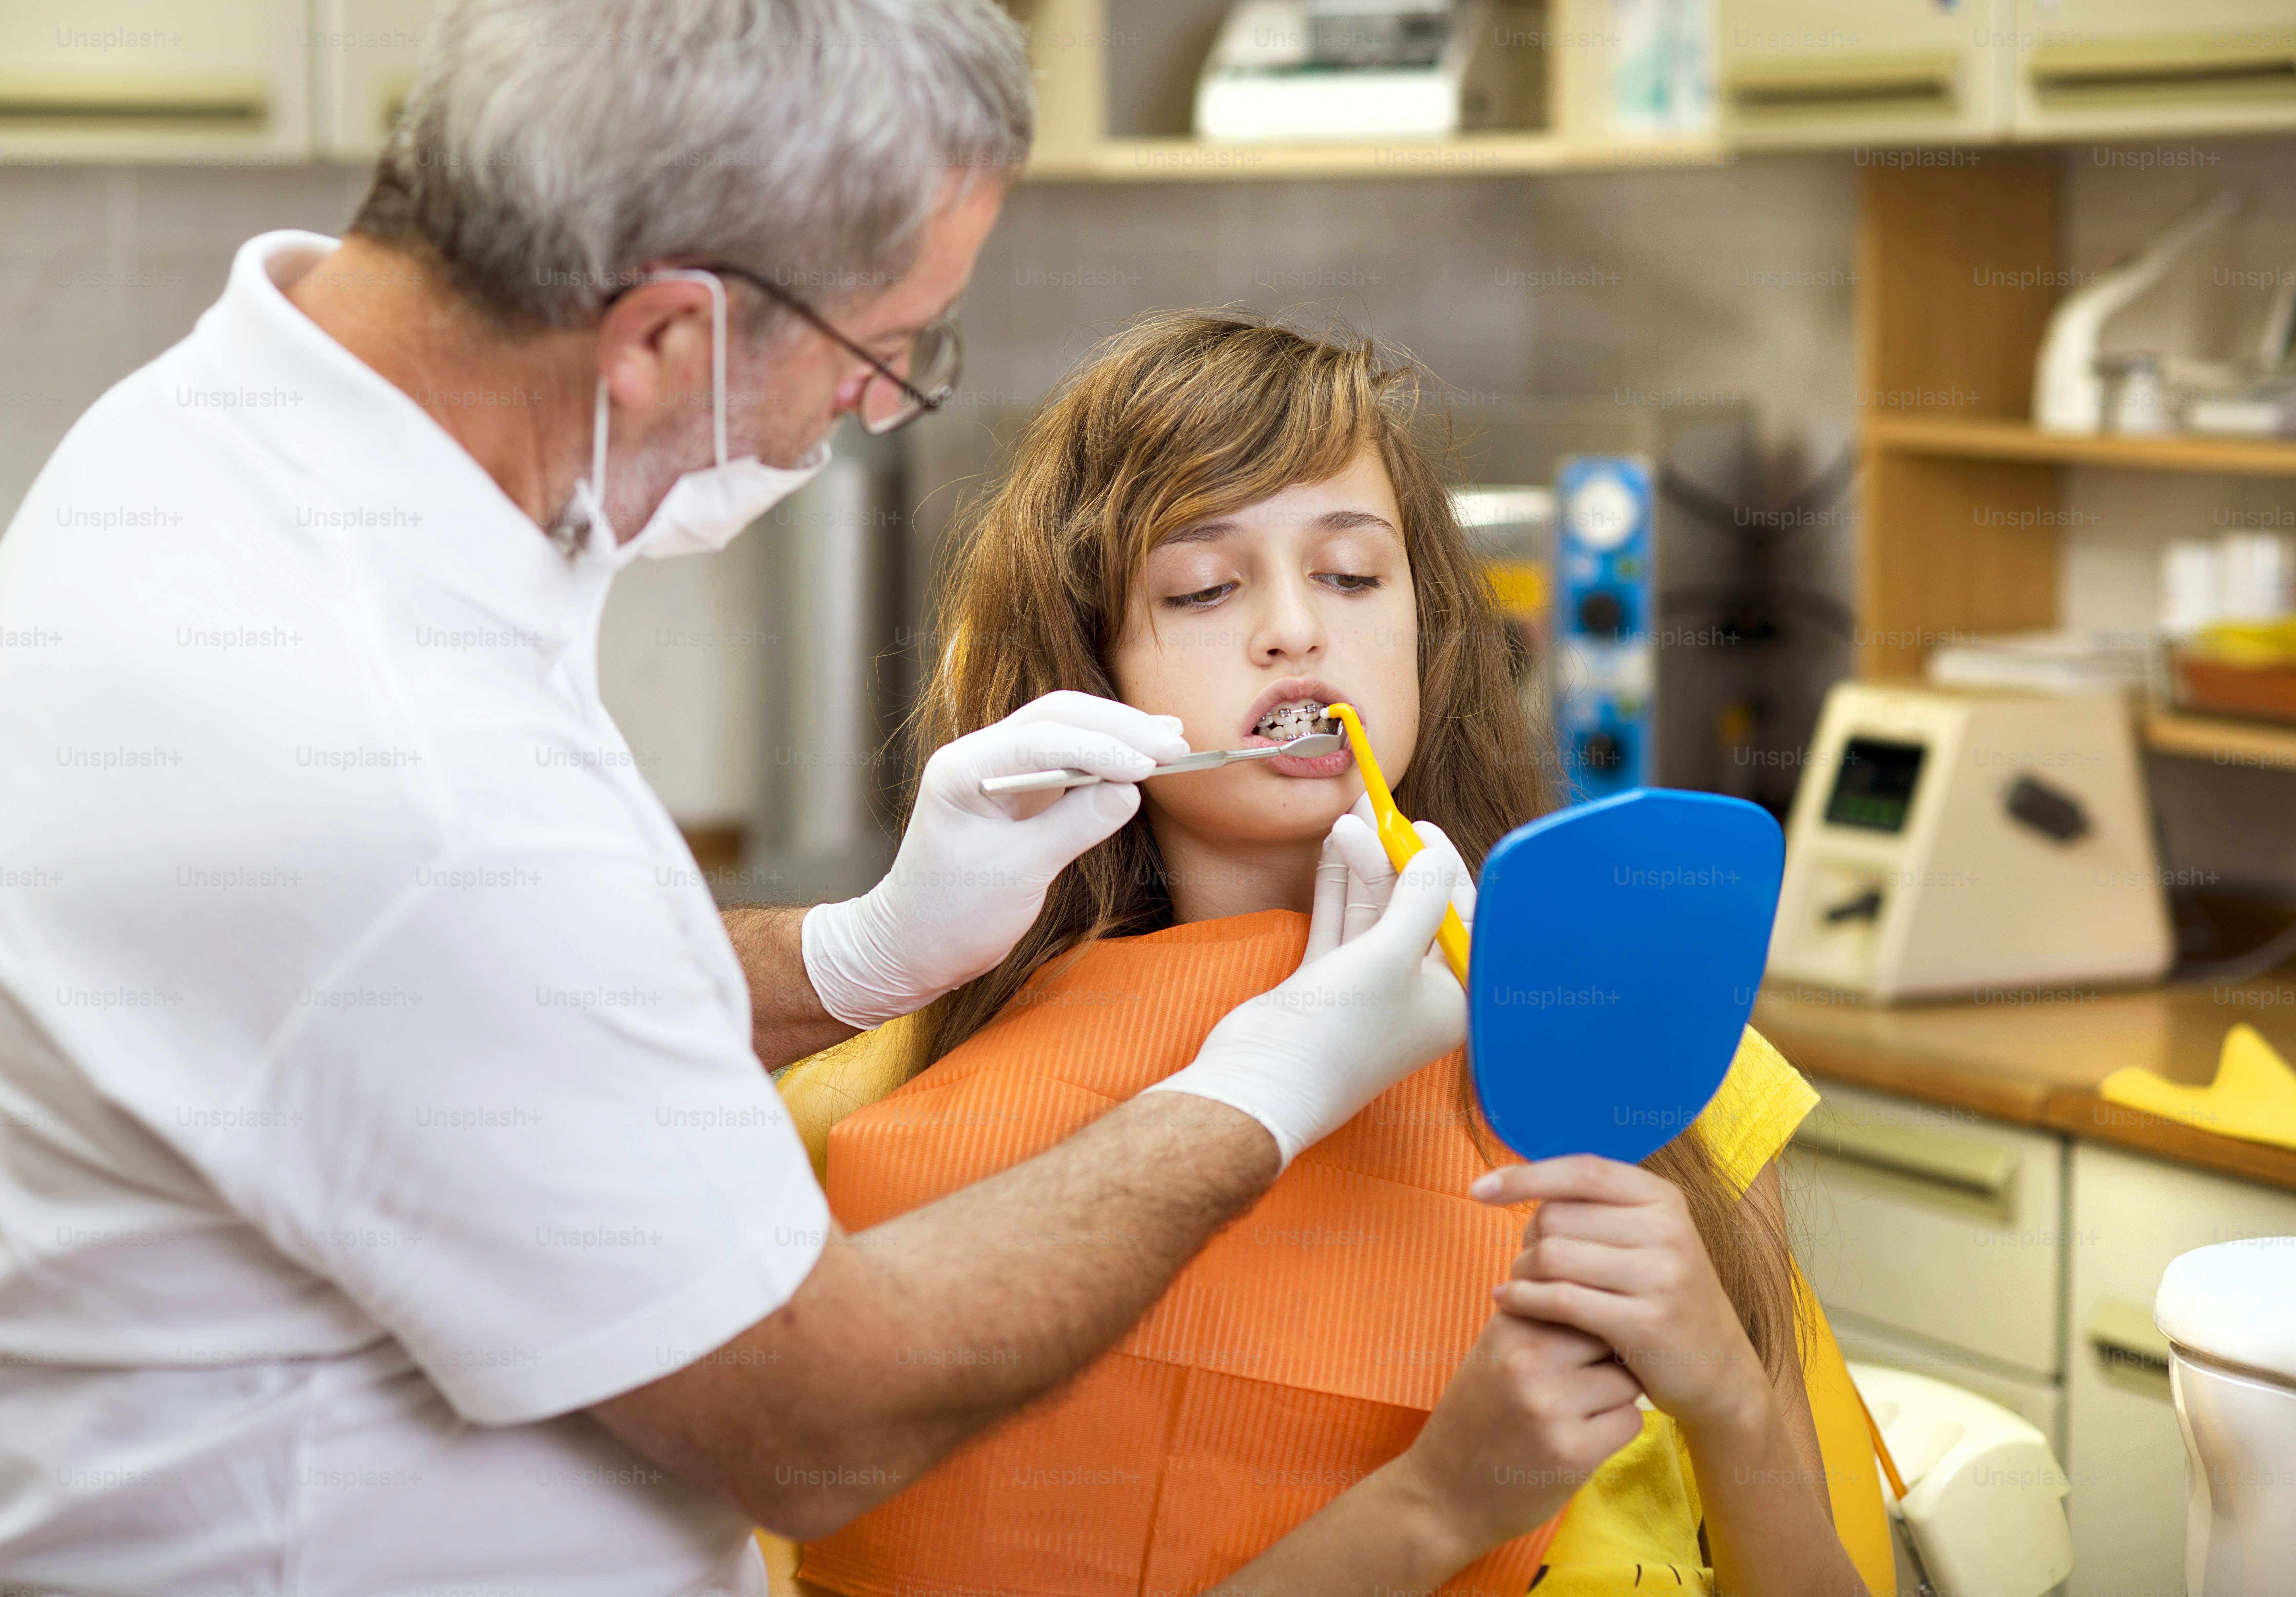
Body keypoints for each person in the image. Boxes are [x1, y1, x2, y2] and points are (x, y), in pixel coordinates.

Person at [0, 6, 1475, 1592]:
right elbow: (811, 1408)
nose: (885, 403)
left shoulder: (230, 435)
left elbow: (508, 1009)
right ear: (661, 342)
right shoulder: (377, 756)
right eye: (882, 346)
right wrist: (1262, 1090)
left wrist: (856, 957)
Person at [774, 311, 1876, 1596]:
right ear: (1091, 664)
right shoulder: (889, 1108)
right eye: (1203, 588)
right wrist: (1443, 1502)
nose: (1297, 629)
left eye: (1354, 576)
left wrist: (1733, 1406)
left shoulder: (1663, 1053)